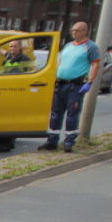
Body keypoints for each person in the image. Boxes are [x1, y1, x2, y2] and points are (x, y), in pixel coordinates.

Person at [42, 22, 101, 152]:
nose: (74, 32)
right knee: (55, 114)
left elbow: (95, 65)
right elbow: (60, 61)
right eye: (73, 30)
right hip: (61, 84)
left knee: (72, 114)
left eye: (78, 30)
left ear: (85, 31)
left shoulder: (90, 47)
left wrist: (89, 82)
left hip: (75, 85)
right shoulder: (68, 45)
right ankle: (52, 141)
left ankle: (69, 141)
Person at [0, 39, 35, 151]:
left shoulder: (24, 58)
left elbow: (34, 70)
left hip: (16, 91)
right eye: (11, 47)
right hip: (4, 90)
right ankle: (2, 142)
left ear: (20, 48)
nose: (12, 49)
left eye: (15, 47)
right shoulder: (8, 57)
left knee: (11, 119)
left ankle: (8, 142)